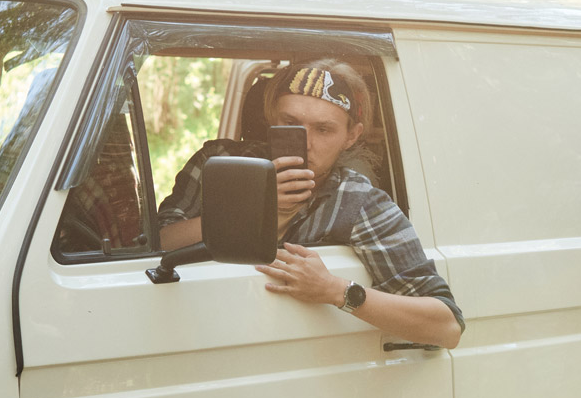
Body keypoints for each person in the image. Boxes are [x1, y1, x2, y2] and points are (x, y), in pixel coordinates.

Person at [156, 58, 464, 350]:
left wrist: (335, 290)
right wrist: (255, 210)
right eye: (290, 123)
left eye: (324, 129)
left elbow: (447, 325)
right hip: (194, 336)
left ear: (351, 136)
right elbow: (156, 245)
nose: (305, 141)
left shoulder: (357, 202)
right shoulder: (219, 161)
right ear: (270, 117)